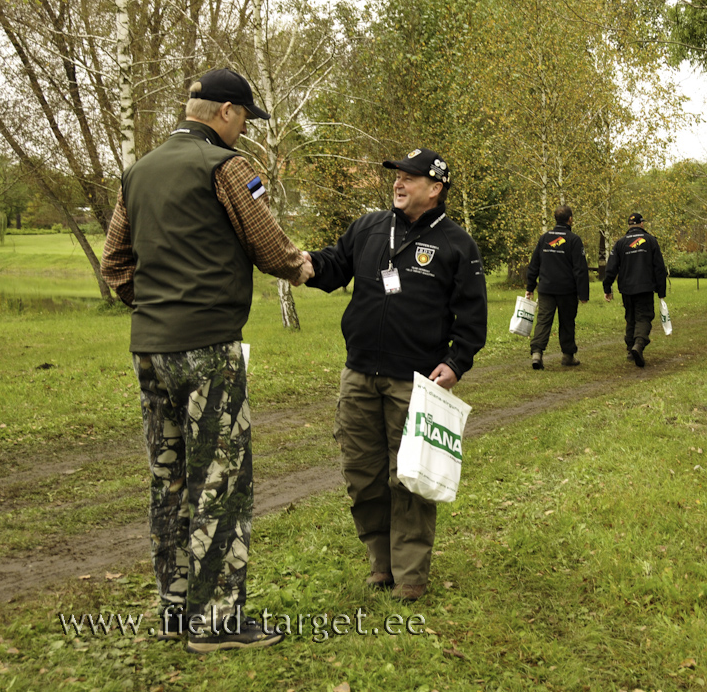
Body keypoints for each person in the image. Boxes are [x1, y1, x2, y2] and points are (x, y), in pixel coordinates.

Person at [101, 68, 311, 653]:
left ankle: (174, 609)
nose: (245, 129)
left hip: (150, 349)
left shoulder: (138, 171)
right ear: (223, 112)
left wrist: (156, 307)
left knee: (168, 479)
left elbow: (114, 264)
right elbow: (268, 245)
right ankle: (217, 623)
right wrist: (302, 266)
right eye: (244, 118)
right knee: (219, 478)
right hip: (209, 349)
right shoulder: (227, 167)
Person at [304, 148, 487, 603]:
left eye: (410, 177)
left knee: (408, 477)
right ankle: (380, 563)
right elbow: (330, 268)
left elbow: (472, 315)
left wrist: (456, 360)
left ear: (436, 188)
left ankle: (410, 575)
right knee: (362, 473)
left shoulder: (456, 244)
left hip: (417, 381)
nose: (398, 183)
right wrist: (296, 260)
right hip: (359, 374)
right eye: (397, 176)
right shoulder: (368, 228)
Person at [525, 205, 590, 369]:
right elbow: (580, 269)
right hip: (567, 290)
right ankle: (568, 355)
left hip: (546, 288)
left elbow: (534, 265)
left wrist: (530, 287)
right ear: (570, 219)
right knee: (567, 322)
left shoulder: (544, 238)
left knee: (543, 321)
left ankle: (537, 353)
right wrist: (583, 294)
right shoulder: (574, 240)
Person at [601, 212, 668, 368]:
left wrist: (607, 287)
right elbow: (659, 267)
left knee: (630, 318)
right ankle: (638, 344)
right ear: (642, 224)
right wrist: (661, 291)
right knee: (644, 317)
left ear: (629, 225)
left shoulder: (620, 243)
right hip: (645, 287)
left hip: (626, 288)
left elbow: (611, 268)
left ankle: (631, 349)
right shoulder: (651, 241)